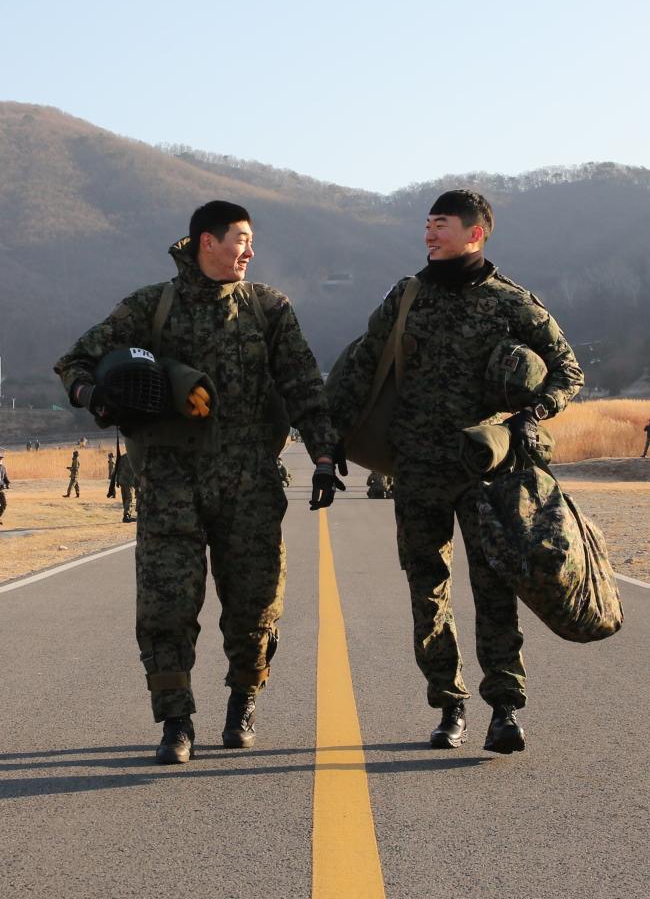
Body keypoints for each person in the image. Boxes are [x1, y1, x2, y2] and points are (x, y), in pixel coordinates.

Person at [54, 200, 342, 765]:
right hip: (169, 486)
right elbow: (75, 362)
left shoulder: (269, 309)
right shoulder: (151, 307)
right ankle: (176, 722)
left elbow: (303, 383)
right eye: (239, 239)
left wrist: (325, 454)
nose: (248, 251)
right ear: (206, 242)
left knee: (255, 605)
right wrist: (99, 395)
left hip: (250, 485)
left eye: (251, 241)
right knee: (165, 608)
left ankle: (243, 700)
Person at [329, 189, 583, 755]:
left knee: (496, 590)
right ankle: (449, 705)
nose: (429, 234)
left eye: (441, 225)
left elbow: (569, 371)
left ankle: (505, 709)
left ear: (476, 233)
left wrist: (530, 413)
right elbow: (361, 366)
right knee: (428, 592)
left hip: (488, 470)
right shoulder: (406, 296)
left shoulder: (511, 303)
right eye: (427, 224)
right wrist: (328, 443)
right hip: (417, 470)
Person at [115, 451, 137, 522]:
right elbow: (136, 470)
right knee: (129, 498)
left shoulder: (123, 457)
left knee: (125, 498)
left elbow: (118, 469)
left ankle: (126, 514)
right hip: (128, 481)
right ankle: (127, 515)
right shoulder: (134, 457)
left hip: (122, 480)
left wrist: (117, 480)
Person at [0, 452, 10, 522]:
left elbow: (5, 478)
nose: (0, 460)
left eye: (1, 458)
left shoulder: (3, 468)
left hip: (0, 489)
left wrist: (8, 484)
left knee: (4, 504)